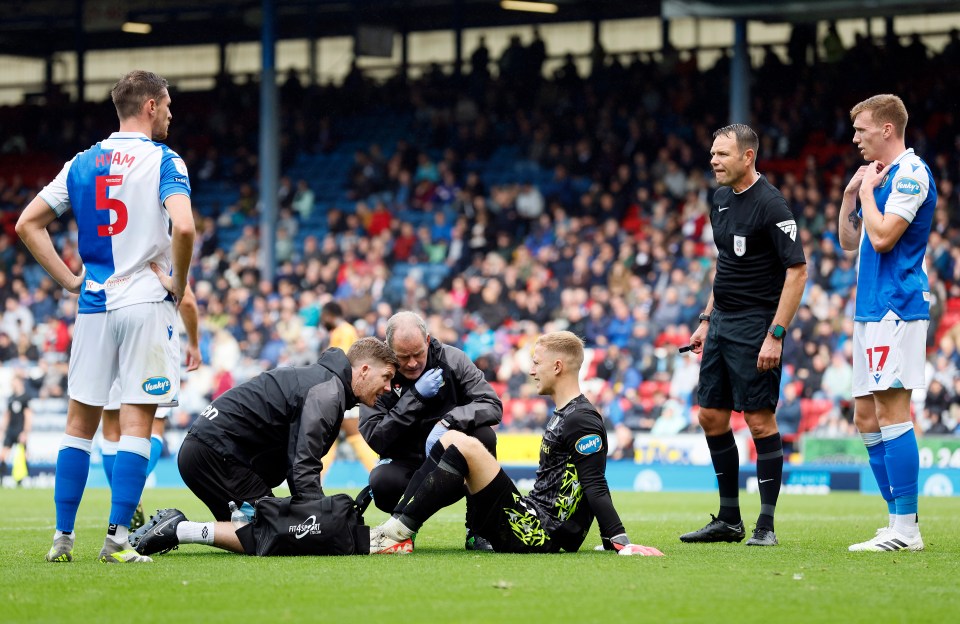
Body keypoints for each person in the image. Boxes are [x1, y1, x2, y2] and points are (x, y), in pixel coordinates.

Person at [16, 70, 195, 564]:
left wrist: (68, 280)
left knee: (80, 425)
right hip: (143, 303)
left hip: (93, 303)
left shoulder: (81, 163)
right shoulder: (164, 159)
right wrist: (177, 283)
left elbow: (27, 223)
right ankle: (117, 540)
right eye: (169, 104)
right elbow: (183, 225)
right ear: (152, 107)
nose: (172, 114)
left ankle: (62, 538)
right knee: (138, 423)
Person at [368, 331, 664, 557]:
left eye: (537, 363)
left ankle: (396, 533)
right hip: (530, 515)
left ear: (558, 366)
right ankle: (396, 530)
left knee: (462, 443)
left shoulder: (582, 420)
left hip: (542, 533)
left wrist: (618, 541)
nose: (532, 371)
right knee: (456, 440)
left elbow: (595, 483)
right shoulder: (567, 414)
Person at [129, 337, 399, 556]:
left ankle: (181, 528)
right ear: (364, 370)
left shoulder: (322, 381)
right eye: (386, 377)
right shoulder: (327, 391)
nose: (388, 387)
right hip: (217, 454)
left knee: (260, 531)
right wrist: (318, 522)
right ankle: (179, 529)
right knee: (278, 533)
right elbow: (302, 464)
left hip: (212, 450)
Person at [680, 124, 807, 547]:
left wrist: (776, 333)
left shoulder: (772, 205)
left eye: (722, 154)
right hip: (721, 322)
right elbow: (725, 267)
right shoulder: (718, 199)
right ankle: (729, 520)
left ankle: (766, 525)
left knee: (757, 418)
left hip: (757, 324)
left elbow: (798, 270)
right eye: (712, 152)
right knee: (710, 416)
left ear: (747, 157)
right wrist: (705, 319)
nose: (713, 160)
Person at [838, 94, 935, 552]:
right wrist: (848, 198)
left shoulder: (911, 175)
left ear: (887, 130)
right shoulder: (876, 177)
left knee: (893, 413)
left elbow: (880, 238)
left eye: (861, 129)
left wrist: (867, 194)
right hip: (869, 308)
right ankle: (894, 519)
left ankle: (907, 530)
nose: (855, 137)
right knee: (865, 416)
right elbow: (848, 241)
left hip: (896, 306)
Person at [359, 311, 503, 551]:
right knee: (380, 482)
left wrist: (448, 422)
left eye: (418, 354)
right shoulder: (379, 373)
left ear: (427, 340)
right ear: (388, 348)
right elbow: (376, 437)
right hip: (406, 464)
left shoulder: (454, 360)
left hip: (451, 465)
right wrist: (414, 397)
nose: (413, 363)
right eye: (403, 357)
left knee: (484, 436)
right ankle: (404, 529)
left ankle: (478, 530)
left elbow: (492, 405)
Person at [99, 283, 201, 528]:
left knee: (111, 429)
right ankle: (130, 490)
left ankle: (123, 498)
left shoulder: (111, 251)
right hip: (151, 334)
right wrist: (194, 343)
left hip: (108, 328)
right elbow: (186, 301)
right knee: (152, 426)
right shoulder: (162, 250)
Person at [318, 301, 379, 481]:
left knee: (351, 435)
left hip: (345, 391)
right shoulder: (344, 331)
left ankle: (378, 475)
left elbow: (340, 360)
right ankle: (314, 479)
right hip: (343, 390)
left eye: (323, 317)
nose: (322, 321)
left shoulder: (343, 331)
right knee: (330, 437)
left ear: (329, 315)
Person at [0, 372, 33, 484]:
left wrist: (25, 432)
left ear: (19, 382)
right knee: (3, 455)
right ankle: (2, 478)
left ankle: (24, 479)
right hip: (10, 430)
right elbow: (7, 415)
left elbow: (28, 416)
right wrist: (2, 429)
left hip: (20, 431)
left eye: (14, 381)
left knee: (23, 455)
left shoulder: (25, 398)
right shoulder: (10, 398)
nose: (12, 384)